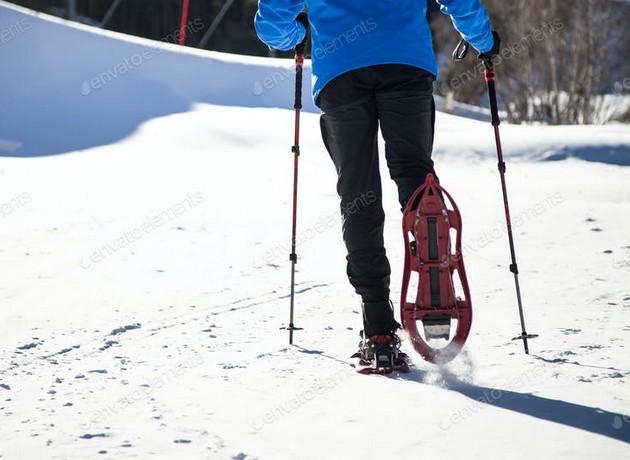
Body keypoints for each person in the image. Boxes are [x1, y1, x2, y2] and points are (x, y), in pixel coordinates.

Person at [255, 1, 499, 364]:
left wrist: (297, 34)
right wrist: (483, 39)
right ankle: (434, 286)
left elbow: (272, 22)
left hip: (341, 71)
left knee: (358, 194)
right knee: (415, 178)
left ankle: (378, 326)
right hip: (404, 60)